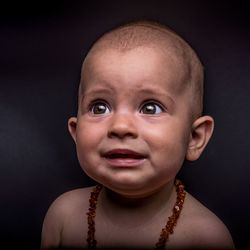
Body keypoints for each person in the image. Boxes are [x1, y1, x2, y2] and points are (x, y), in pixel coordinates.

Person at [41, 20, 235, 249]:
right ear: (76, 131)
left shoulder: (206, 238)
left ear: (194, 138)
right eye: (99, 107)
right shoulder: (62, 216)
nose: (120, 126)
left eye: (150, 108)